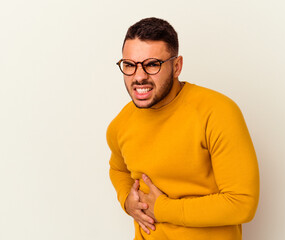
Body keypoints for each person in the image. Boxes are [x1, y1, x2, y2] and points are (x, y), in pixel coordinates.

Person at [107, 17, 259, 240]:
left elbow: (242, 203)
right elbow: (117, 169)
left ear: (176, 66)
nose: (139, 76)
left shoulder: (217, 112)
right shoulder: (120, 123)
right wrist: (126, 201)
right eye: (129, 65)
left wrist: (163, 209)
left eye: (152, 64)